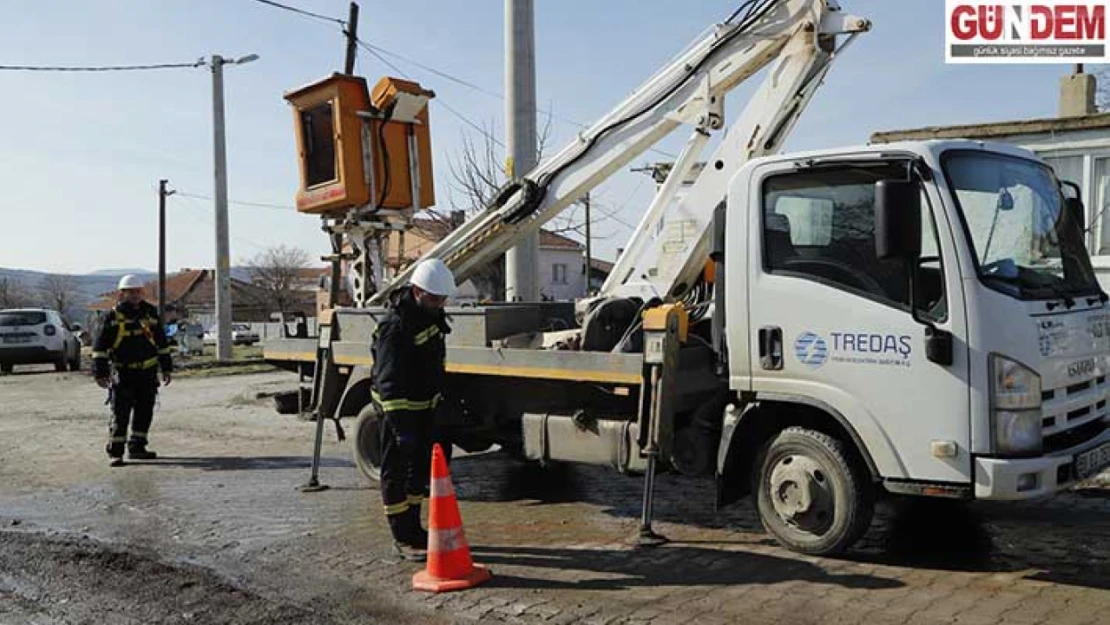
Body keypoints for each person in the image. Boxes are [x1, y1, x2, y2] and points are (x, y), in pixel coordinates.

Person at [370, 258, 455, 561]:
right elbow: (389, 382)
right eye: (435, 299)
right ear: (418, 292)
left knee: (418, 473)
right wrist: (401, 427)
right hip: (397, 413)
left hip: (423, 410)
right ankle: (401, 536)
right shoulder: (395, 326)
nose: (439, 304)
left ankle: (414, 528)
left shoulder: (430, 316)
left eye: (443, 299)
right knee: (395, 473)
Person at [92, 275, 173, 467]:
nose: (136, 295)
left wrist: (166, 367)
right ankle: (116, 453)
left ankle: (137, 448)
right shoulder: (111, 317)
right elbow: (100, 348)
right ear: (122, 293)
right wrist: (100, 373)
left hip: (147, 373)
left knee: (145, 412)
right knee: (120, 414)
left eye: (138, 291)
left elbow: (162, 343)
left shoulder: (150, 313)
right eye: (131, 292)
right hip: (123, 373)